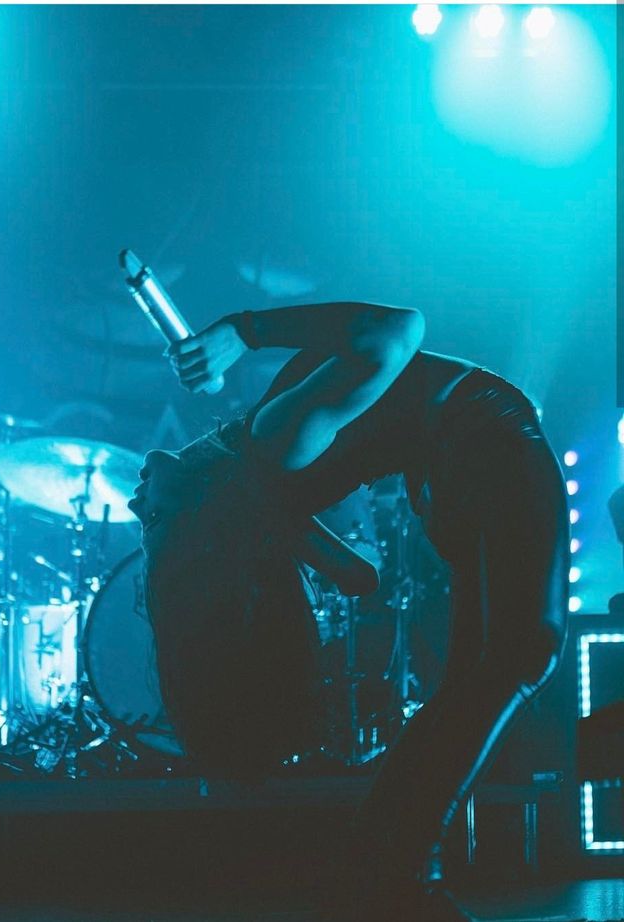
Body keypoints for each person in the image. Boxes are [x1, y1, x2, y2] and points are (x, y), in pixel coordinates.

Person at [127, 301, 570, 921]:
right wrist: (245, 332)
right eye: (153, 519)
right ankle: (398, 872)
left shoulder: (264, 490)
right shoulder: (274, 442)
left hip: (452, 476)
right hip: (483, 446)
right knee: (525, 653)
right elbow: (400, 330)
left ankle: (383, 870)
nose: (133, 500)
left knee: (482, 674)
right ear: (199, 519)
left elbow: (360, 577)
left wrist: (281, 536)